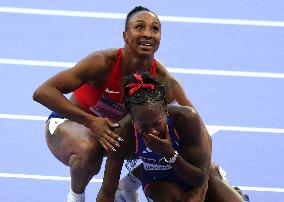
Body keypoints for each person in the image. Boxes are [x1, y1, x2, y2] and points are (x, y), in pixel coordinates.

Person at [33, 6, 197, 202]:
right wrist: (92, 122)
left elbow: (195, 126)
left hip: (117, 136)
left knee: (167, 138)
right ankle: (76, 197)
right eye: (139, 27)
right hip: (71, 124)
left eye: (155, 29)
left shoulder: (163, 80)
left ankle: (128, 186)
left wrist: (208, 172)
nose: (147, 34)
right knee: (89, 148)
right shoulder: (102, 63)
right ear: (125, 35)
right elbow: (43, 92)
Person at [97, 72, 248, 202]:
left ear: (165, 112)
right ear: (132, 119)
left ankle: (235, 193)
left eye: (157, 123)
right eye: (143, 126)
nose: (153, 131)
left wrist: (170, 154)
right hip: (159, 185)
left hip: (197, 175)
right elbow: (107, 191)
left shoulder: (186, 119)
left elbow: (198, 178)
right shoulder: (123, 134)